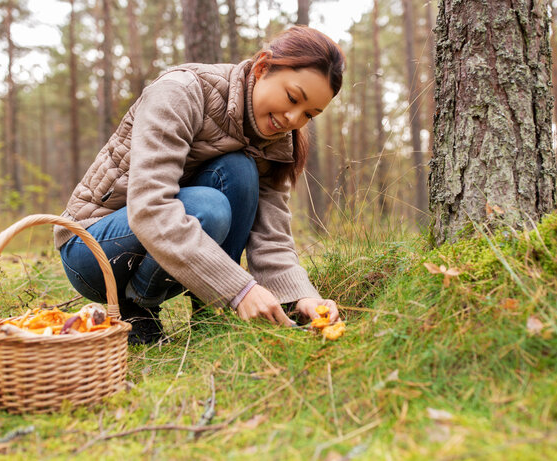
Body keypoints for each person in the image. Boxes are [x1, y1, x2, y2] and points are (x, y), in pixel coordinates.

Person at [55, 25, 345, 344]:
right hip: (92, 249)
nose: (293, 119)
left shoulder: (276, 143)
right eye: (292, 97)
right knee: (210, 207)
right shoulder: (181, 91)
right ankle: (136, 309)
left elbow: (271, 237)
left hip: (167, 245)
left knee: (240, 168)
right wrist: (240, 290)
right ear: (262, 67)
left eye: (309, 114)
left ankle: (209, 313)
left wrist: (303, 298)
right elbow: (150, 209)